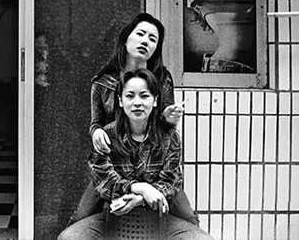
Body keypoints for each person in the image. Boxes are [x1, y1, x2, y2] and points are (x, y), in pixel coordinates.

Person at [68, 13, 199, 227]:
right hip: (115, 163)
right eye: (140, 34)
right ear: (126, 38)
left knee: (189, 220)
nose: (145, 41)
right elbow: (95, 123)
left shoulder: (163, 79)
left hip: (153, 165)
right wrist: (96, 132)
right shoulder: (102, 82)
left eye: (152, 39)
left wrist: (167, 118)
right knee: (80, 219)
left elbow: (167, 133)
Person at [58, 69, 212, 240]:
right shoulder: (106, 135)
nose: (137, 102)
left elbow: (171, 181)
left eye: (144, 96)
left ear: (155, 100)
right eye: (130, 96)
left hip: (158, 201)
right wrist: (140, 188)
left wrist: (141, 198)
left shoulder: (170, 137)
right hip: (116, 197)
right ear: (120, 100)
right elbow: (103, 178)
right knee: (71, 233)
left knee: (196, 230)